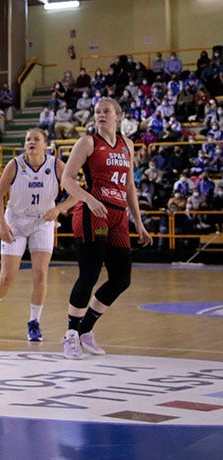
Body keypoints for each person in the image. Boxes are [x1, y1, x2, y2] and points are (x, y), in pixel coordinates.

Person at [60, 97, 152, 359]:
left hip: (118, 215)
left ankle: (85, 329)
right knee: (89, 274)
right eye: (97, 111)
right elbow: (67, 179)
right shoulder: (88, 142)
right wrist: (89, 199)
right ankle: (70, 334)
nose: (101, 115)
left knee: (122, 278)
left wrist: (139, 223)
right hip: (92, 212)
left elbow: (130, 188)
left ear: (118, 116)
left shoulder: (127, 145)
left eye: (106, 111)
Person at [0, 128, 76, 342]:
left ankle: (34, 322)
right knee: (7, 277)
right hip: (16, 222)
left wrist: (59, 208)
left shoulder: (56, 165)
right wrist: (2, 224)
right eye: (28, 139)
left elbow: (76, 194)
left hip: (43, 222)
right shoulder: (14, 165)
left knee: (40, 274)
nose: (31, 142)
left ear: (45, 144)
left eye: (36, 139)